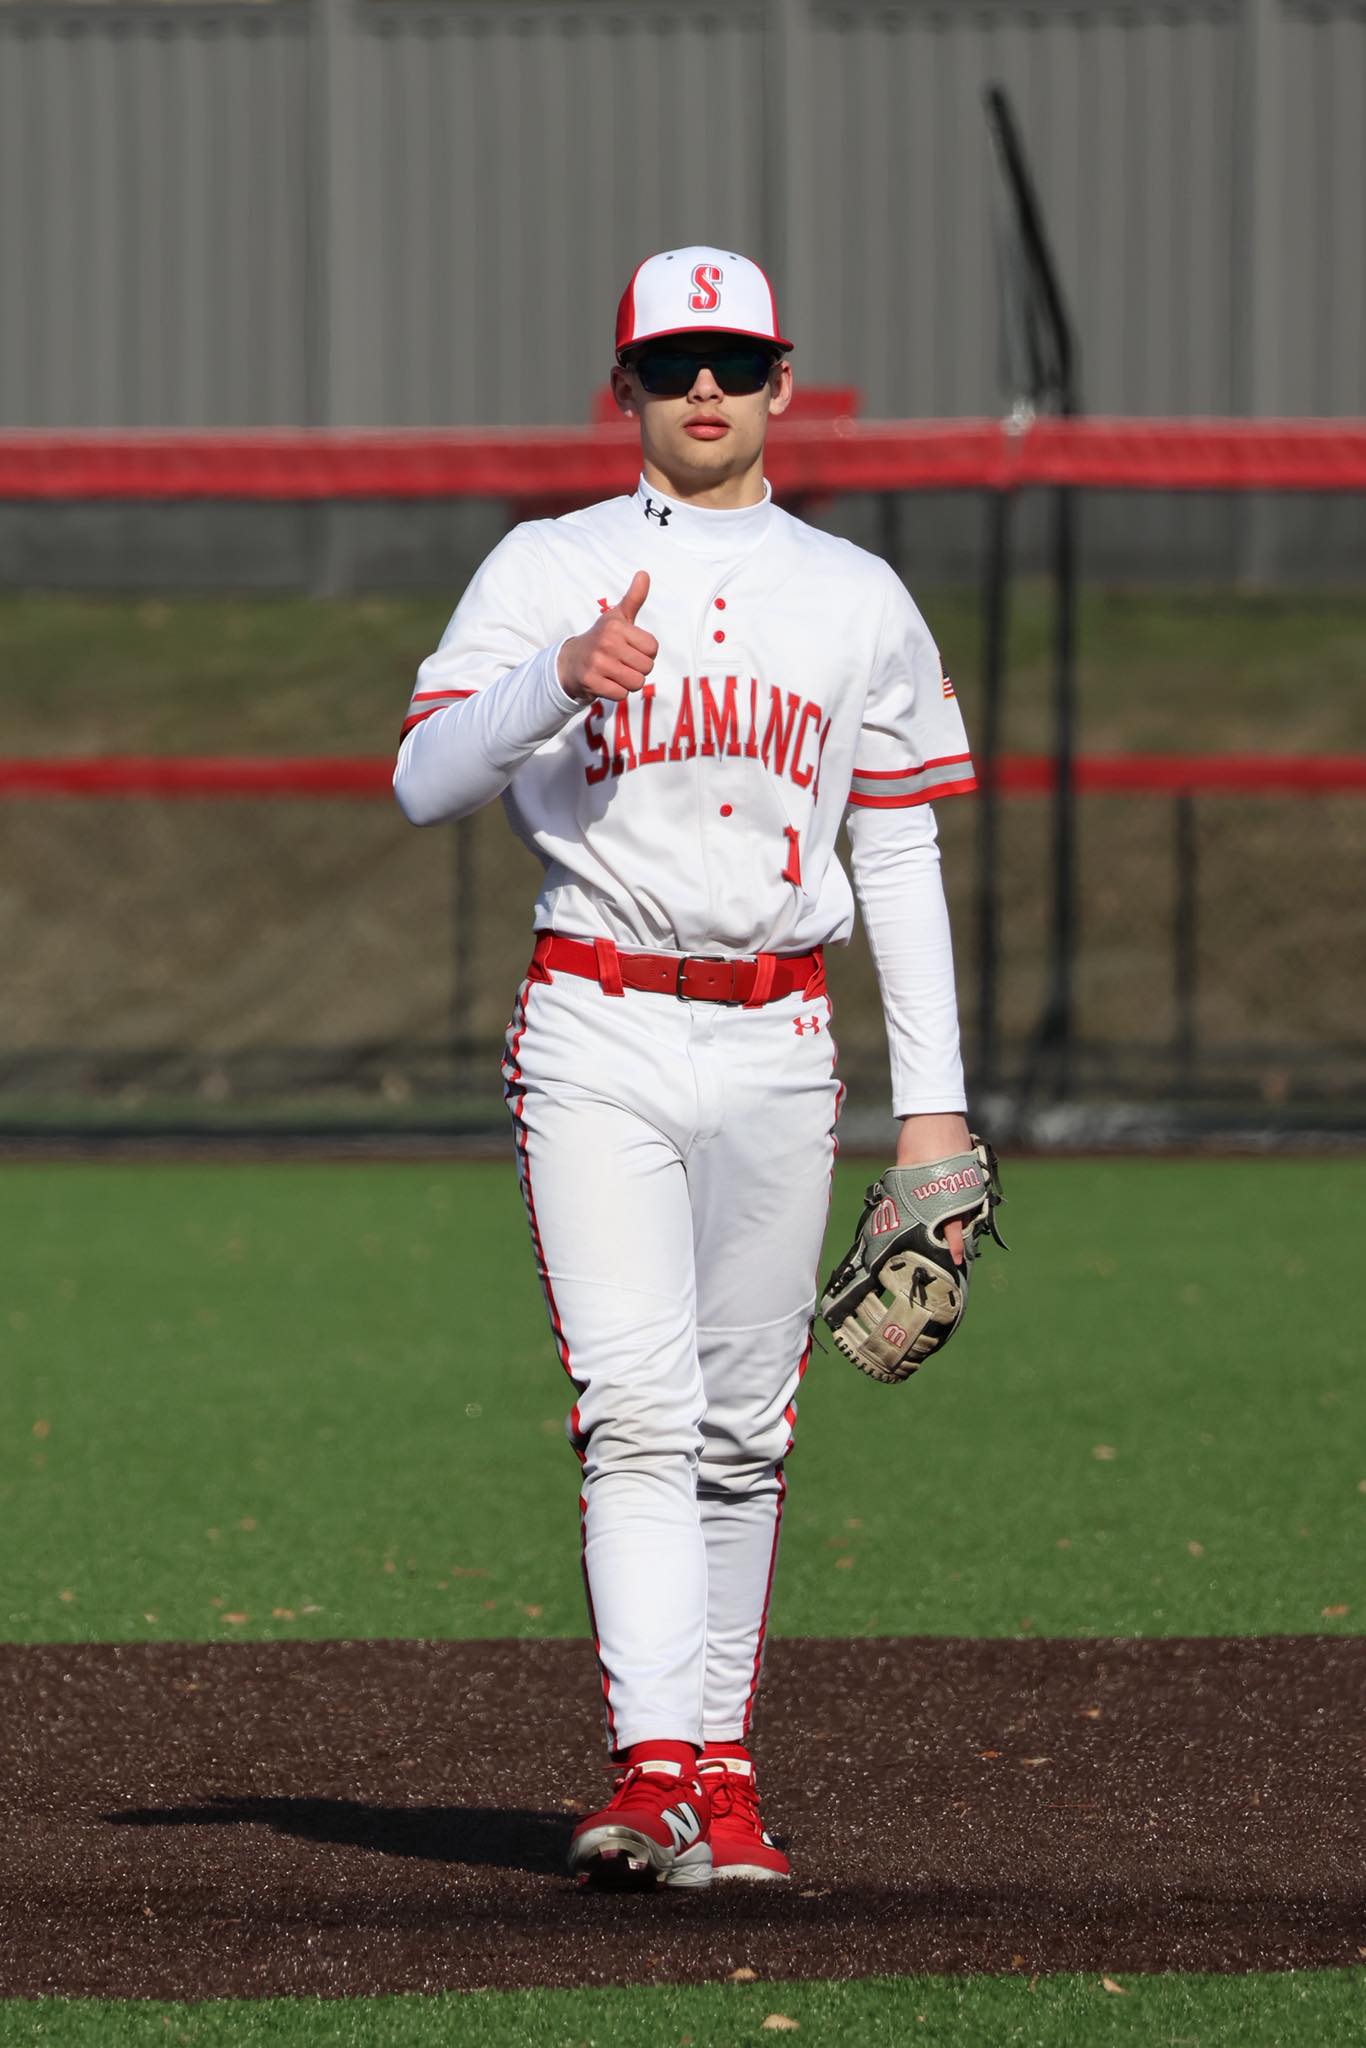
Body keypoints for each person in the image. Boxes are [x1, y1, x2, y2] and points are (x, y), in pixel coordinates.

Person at [394, 246, 977, 1889]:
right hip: (597, 1022)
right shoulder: (547, 566)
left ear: (781, 382)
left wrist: (928, 1102)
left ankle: (719, 1775)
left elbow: (902, 844)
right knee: (638, 1412)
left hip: (786, 1035)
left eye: (730, 360)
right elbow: (425, 780)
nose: (702, 389)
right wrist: (548, 680)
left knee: (747, 1428)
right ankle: (656, 1769)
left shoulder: (853, 592)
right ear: (626, 389)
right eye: (670, 365)